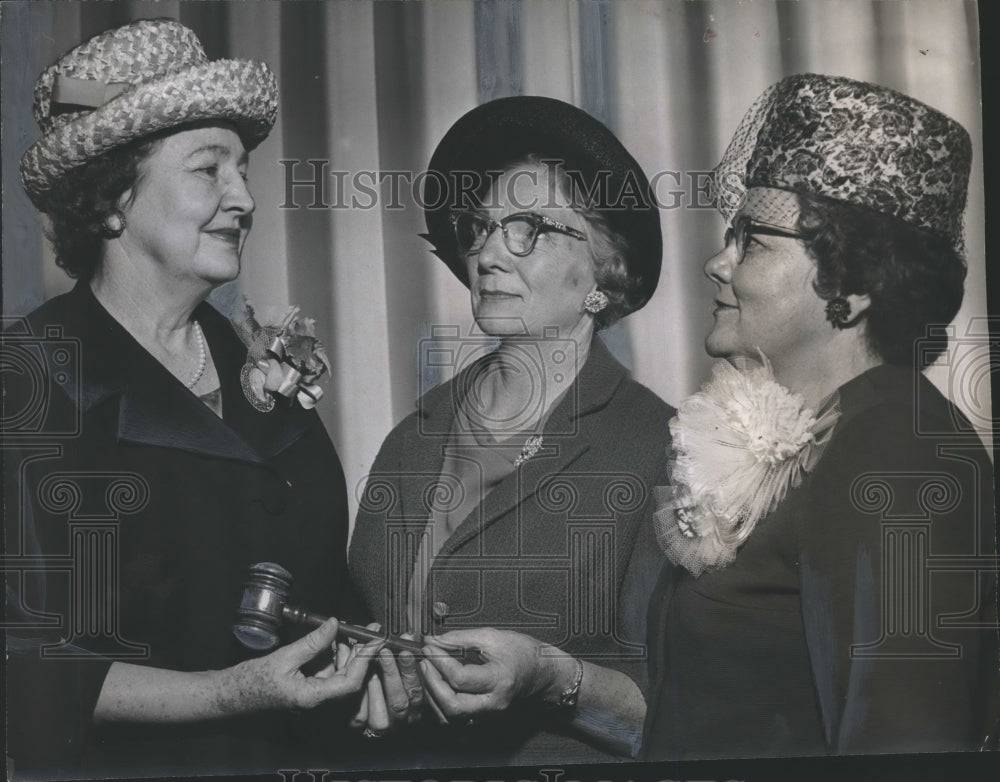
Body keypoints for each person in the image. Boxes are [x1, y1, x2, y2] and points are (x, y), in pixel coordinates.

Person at [3, 19, 399, 778]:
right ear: (113, 198)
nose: (244, 198)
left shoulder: (262, 372)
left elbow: (316, 586)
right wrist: (232, 693)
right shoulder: (28, 382)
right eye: (207, 169)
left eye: (244, 169)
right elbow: (20, 672)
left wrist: (368, 659)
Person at [642, 73, 998, 759]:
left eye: (754, 242)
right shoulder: (835, 433)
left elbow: (905, 749)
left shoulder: (896, 450)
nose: (717, 263)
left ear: (855, 283)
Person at [348, 96, 673, 766]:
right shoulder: (413, 437)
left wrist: (552, 678)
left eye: (530, 229)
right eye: (482, 227)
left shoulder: (659, 450)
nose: (491, 254)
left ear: (604, 270)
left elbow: (675, 718)